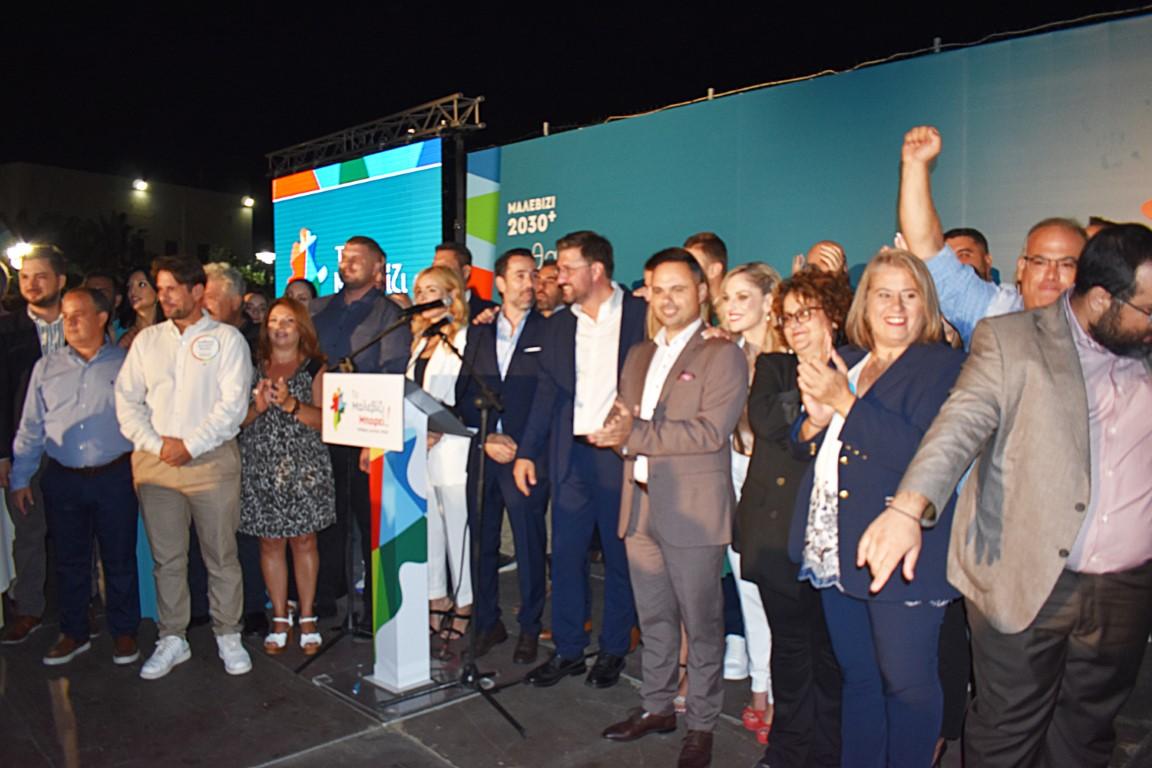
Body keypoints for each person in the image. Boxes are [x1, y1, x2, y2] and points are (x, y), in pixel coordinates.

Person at [860, 224, 1152, 768]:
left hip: (1125, 588)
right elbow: (957, 428)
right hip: (1028, 581)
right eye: (1147, 310)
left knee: (1087, 734)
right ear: (1101, 300)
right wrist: (907, 509)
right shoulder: (1012, 339)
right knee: (1007, 734)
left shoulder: (1141, 346)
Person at [790, 249, 965, 767]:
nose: (897, 306)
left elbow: (929, 454)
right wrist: (814, 421)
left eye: (910, 295)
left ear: (927, 305)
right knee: (860, 678)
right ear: (864, 304)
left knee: (907, 686)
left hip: (902, 551)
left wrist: (844, 403)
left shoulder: (946, 367)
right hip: (836, 544)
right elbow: (806, 445)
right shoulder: (850, 359)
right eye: (884, 294)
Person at [596, 248, 748, 768]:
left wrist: (633, 433)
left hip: (693, 512)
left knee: (701, 624)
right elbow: (624, 418)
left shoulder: (722, 354)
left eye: (678, 288)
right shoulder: (639, 353)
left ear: (702, 291)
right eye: (658, 290)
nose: (666, 299)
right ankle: (657, 707)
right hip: (639, 505)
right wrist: (613, 433)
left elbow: (710, 432)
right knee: (655, 617)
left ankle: (701, 724)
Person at [515, 230, 646, 690]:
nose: (559, 277)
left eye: (568, 269)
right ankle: (568, 650)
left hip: (620, 458)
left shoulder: (640, 316)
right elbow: (547, 395)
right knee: (567, 556)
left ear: (597, 270)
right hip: (570, 458)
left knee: (618, 557)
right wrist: (527, 452)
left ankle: (613, 649)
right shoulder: (559, 326)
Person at [115, 256, 254, 679]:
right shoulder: (147, 341)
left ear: (197, 291)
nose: (163, 296)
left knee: (221, 555)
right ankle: (172, 637)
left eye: (171, 288)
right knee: (167, 559)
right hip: (156, 463)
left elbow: (232, 407)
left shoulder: (227, 339)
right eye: (160, 289)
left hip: (211, 462)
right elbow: (127, 400)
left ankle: (228, 633)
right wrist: (158, 445)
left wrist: (190, 446)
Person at [744, 268, 851, 768]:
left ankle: (828, 754)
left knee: (831, 657)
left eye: (806, 313)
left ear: (834, 314)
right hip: (776, 535)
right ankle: (787, 751)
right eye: (787, 318)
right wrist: (813, 408)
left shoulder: (859, 367)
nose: (795, 326)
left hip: (834, 540)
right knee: (788, 651)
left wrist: (835, 388)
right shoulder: (773, 366)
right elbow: (765, 421)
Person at [10, 287, 141, 666]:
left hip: (114, 475)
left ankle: (124, 631)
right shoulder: (46, 368)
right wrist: (21, 477)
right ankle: (73, 631)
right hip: (63, 477)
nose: (70, 322)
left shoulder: (126, 364)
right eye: (66, 315)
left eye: (78, 314)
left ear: (102, 318)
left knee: (118, 557)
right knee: (69, 559)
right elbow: (31, 426)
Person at [900, 124, 1086, 345]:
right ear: (1021, 268)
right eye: (1040, 262)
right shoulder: (995, 311)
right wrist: (915, 164)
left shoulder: (1103, 332)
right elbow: (926, 248)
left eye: (1066, 264)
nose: (1051, 274)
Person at [310, 235, 411, 629]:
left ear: (378, 267)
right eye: (345, 257)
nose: (347, 263)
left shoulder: (389, 315)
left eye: (357, 258)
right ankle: (327, 597)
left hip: (365, 432)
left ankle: (374, 608)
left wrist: (373, 440)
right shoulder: (319, 310)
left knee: (370, 525)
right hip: (320, 428)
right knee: (328, 519)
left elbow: (392, 374)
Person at [457, 249, 550, 663]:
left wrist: (521, 446)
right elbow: (463, 392)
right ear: (500, 283)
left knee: (529, 545)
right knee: (482, 543)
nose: (529, 283)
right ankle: (487, 622)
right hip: (483, 453)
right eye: (520, 276)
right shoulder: (479, 331)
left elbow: (550, 398)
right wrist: (486, 438)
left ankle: (529, 627)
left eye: (533, 275)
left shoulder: (549, 329)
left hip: (526, 456)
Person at [239, 298, 335, 655]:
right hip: (261, 466)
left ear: (301, 328)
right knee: (270, 542)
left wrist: (291, 405)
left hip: (305, 466)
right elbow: (238, 421)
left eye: (288, 321)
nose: (279, 328)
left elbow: (328, 421)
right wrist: (259, 406)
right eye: (274, 321)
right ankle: (280, 616)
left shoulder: (317, 367)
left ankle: (307, 615)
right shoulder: (252, 366)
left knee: (304, 540)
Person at [718, 262, 784, 742]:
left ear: (769, 300)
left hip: (779, 484)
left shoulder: (791, 353)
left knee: (779, 594)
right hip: (733, 474)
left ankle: (782, 694)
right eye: (725, 298)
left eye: (742, 297)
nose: (731, 306)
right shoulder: (726, 353)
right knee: (747, 589)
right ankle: (761, 686)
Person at [0, 245, 66, 644]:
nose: (32, 284)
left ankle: (83, 606)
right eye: (25, 277)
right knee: (27, 531)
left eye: (41, 276)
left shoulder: (81, 322)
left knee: (78, 529)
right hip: (24, 451)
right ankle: (28, 608)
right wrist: (3, 455)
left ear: (60, 280)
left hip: (74, 449)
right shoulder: (7, 330)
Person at [406, 266, 472, 640]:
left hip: (453, 446)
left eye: (431, 290)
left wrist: (437, 427)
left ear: (452, 295)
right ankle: (437, 597)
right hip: (422, 446)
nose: (422, 297)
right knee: (429, 525)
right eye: (418, 291)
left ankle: (464, 604)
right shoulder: (420, 341)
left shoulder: (463, 337)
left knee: (457, 528)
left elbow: (461, 393)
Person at [203, 262, 266, 635]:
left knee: (246, 530)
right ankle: (204, 605)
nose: (205, 303)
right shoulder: (195, 338)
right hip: (204, 445)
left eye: (212, 296)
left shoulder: (258, 338)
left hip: (250, 442)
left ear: (235, 299)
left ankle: (253, 606)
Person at [433, 241, 497, 320]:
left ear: (465, 272)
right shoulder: (427, 313)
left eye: (444, 268)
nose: (437, 274)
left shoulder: (490, 313)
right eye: (434, 269)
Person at [118, 267, 164, 350]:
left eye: (142, 285)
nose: (132, 291)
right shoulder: (120, 330)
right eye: (129, 286)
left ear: (158, 293)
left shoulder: (170, 331)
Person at [83, 270, 125, 339]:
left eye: (101, 292)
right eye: (89, 292)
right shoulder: (72, 330)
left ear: (117, 300)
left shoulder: (129, 336)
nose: (95, 296)